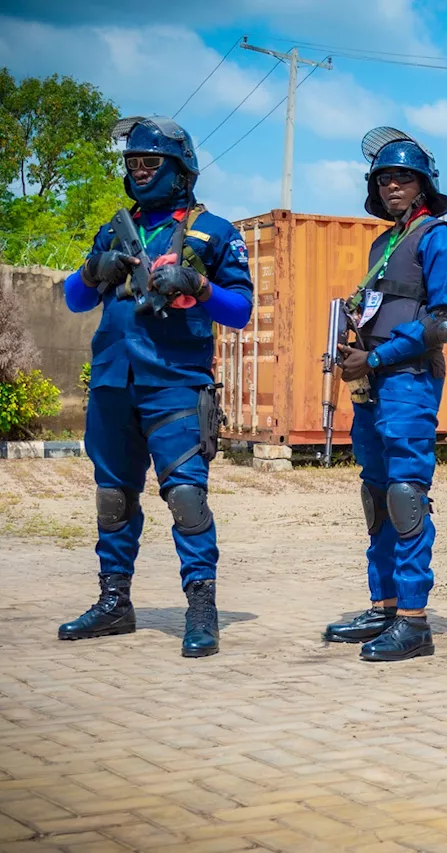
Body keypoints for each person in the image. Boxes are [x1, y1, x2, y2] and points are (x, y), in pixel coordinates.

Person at [57, 116, 253, 657]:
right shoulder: (113, 228)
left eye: (152, 163)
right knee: (113, 498)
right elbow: (74, 300)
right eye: (133, 164)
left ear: (181, 169)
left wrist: (199, 283)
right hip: (114, 384)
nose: (140, 172)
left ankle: (201, 609)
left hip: (175, 387)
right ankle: (114, 603)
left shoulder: (214, 232)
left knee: (186, 498)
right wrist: (95, 270)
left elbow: (240, 310)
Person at [321, 127, 447, 662]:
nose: (391, 187)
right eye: (383, 179)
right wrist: (353, 344)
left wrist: (379, 356)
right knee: (378, 495)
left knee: (406, 495)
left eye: (402, 177)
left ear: (424, 184)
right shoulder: (384, 243)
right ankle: (384, 606)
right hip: (372, 385)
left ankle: (414, 621)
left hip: (408, 381)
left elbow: (446, 321)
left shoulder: (441, 237)